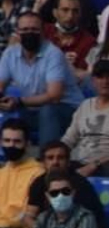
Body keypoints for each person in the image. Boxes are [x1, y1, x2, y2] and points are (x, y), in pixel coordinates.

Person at [0, 10, 74, 145]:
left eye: (34, 29)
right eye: (25, 29)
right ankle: (9, 158)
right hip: (32, 109)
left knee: (48, 110)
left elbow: (54, 96)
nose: (29, 33)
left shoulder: (53, 54)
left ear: (43, 31)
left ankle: (46, 159)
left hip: (67, 110)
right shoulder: (10, 53)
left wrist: (19, 101)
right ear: (17, 31)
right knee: (8, 109)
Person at [60, 58, 109, 180]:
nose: (105, 82)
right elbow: (69, 139)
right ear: (93, 81)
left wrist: (95, 164)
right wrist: (55, 154)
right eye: (100, 77)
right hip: (83, 163)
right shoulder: (85, 105)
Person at [20, 139, 109, 228]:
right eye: (50, 158)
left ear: (68, 162)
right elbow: (28, 217)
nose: (55, 162)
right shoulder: (38, 183)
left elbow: (85, 222)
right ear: (43, 163)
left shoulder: (81, 184)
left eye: (60, 158)